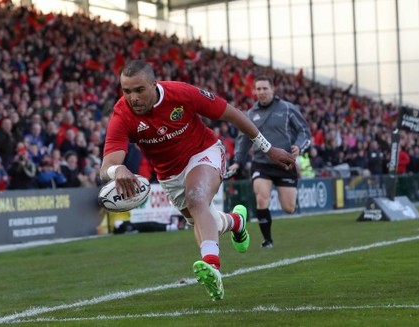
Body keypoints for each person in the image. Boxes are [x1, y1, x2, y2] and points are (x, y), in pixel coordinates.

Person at [100, 60, 295, 301]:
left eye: (139, 90)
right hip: (169, 175)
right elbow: (106, 165)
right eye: (126, 91)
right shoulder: (123, 114)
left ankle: (212, 265)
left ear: (154, 84)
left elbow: (233, 114)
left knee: (196, 198)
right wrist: (117, 170)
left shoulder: (182, 93)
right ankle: (236, 221)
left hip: (204, 152)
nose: (133, 98)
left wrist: (268, 149)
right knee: (204, 220)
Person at [230, 75, 310, 249]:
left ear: (273, 89)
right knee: (261, 198)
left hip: (285, 163)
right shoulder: (251, 113)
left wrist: (299, 146)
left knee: (289, 208)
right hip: (261, 163)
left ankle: (273, 227)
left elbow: (304, 131)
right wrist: (238, 161)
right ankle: (267, 241)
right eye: (258, 89)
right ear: (254, 92)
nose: (261, 92)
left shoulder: (288, 108)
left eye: (265, 88)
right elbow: (243, 140)